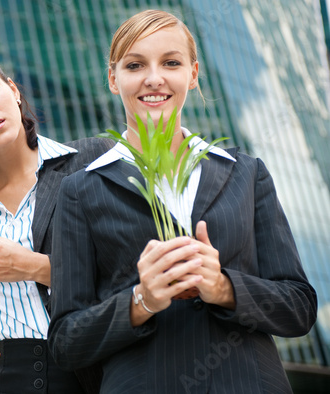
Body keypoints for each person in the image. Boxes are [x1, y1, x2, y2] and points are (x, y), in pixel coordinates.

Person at [48, 10, 317, 393]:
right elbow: (65, 343)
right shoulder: (80, 190)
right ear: (113, 78)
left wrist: (223, 286)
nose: (154, 78)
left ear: (192, 74)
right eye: (135, 65)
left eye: (171, 63)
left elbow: (299, 308)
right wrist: (141, 300)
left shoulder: (246, 173)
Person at [0, 49, 113, 394]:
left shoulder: (88, 162)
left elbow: (127, 273)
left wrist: (34, 266)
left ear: (13, 90)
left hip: (77, 371)